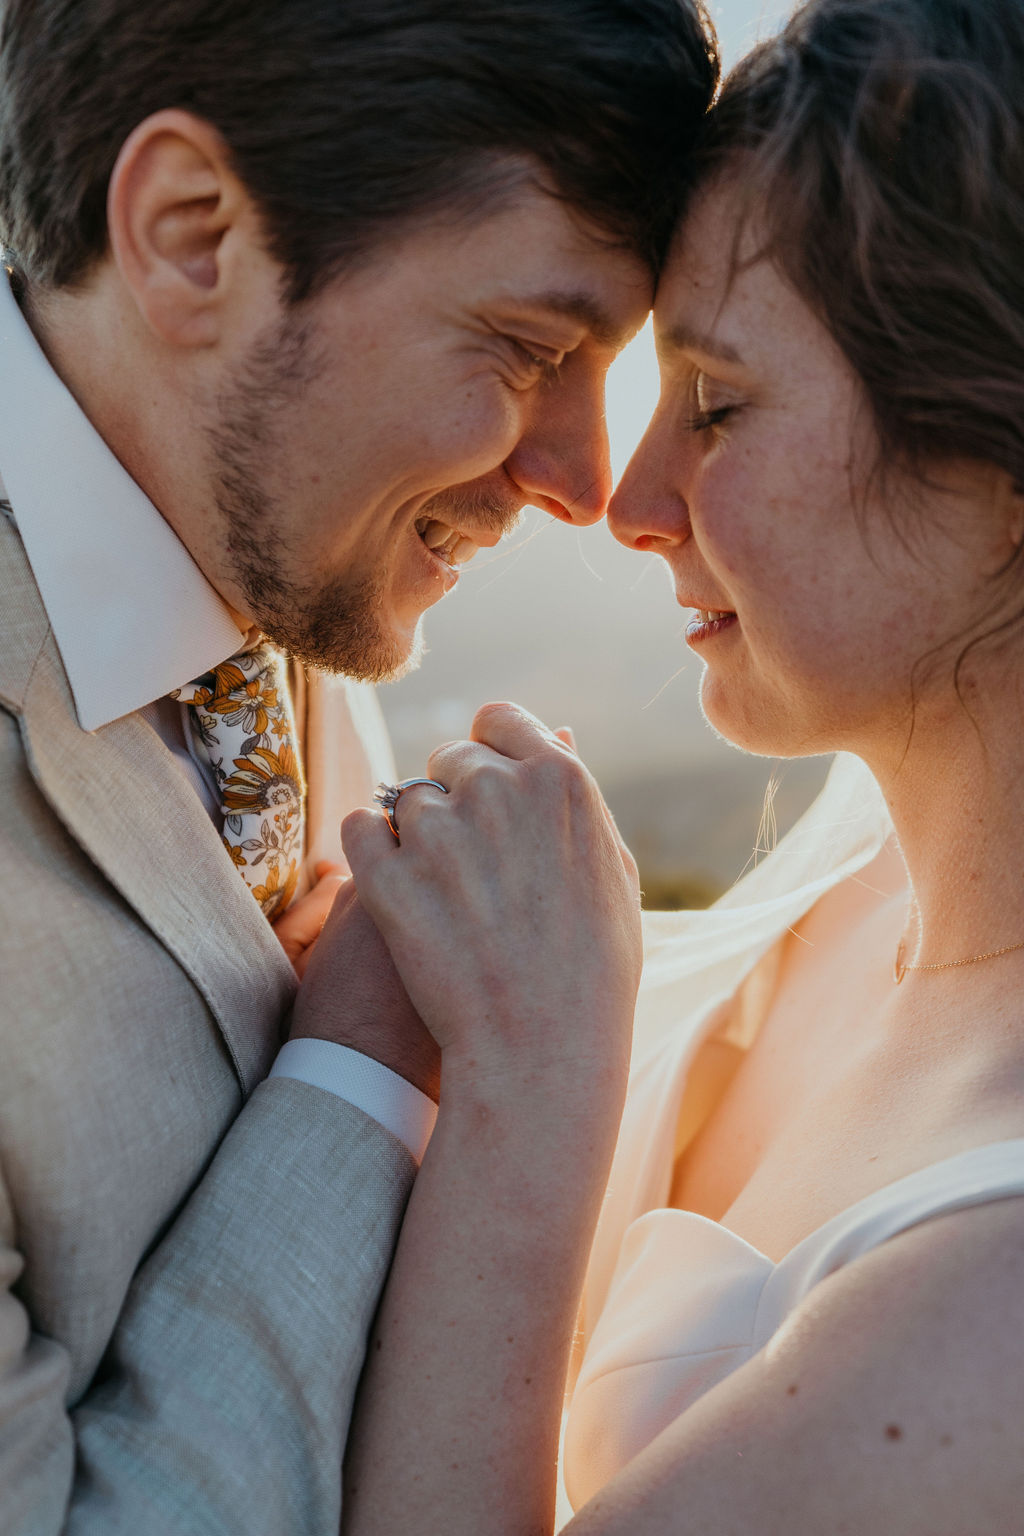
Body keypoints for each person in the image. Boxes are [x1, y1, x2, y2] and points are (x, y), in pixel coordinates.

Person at [0, 1, 719, 1530]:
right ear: (193, 237)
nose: (588, 482)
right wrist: (369, 1063)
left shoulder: (268, 573)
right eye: (530, 347)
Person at [332, 1, 1024, 1531]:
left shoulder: (997, 1312)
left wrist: (532, 1081)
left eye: (718, 407)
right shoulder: (862, 860)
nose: (629, 498)